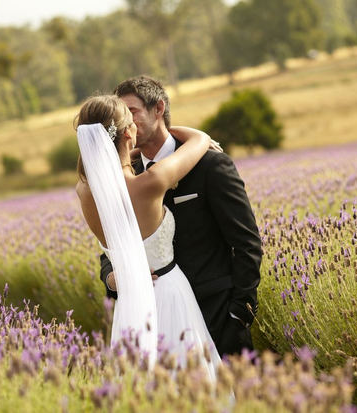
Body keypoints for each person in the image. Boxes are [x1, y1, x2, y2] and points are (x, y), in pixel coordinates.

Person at [100, 76, 262, 356]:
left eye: (133, 112)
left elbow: (246, 242)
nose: (127, 123)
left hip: (216, 313)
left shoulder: (211, 164)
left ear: (158, 108)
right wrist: (112, 278)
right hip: (154, 319)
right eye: (123, 115)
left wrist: (240, 310)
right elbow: (111, 246)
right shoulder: (126, 175)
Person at [75, 94, 221, 379]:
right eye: (131, 123)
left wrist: (124, 150)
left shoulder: (84, 192)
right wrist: (165, 130)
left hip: (129, 303)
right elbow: (199, 140)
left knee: (141, 384)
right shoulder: (152, 182)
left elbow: (107, 166)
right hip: (169, 293)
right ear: (128, 132)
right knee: (190, 381)